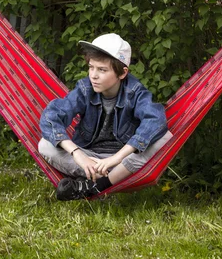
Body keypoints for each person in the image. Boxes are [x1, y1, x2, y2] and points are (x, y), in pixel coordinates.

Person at [38, 33, 172, 201]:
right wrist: (77, 153)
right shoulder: (85, 89)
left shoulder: (135, 93)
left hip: (121, 161)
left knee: (165, 137)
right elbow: (51, 116)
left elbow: (156, 122)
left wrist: (116, 158)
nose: (93, 75)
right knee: (45, 145)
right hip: (88, 158)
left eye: (102, 70)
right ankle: (98, 177)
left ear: (122, 73)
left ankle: (97, 185)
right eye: (91, 67)